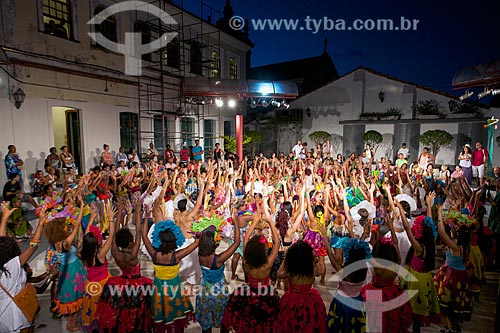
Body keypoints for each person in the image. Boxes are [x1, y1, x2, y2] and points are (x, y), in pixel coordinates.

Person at [222, 206, 281, 333]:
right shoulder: (267, 265)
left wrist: (254, 222)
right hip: (266, 295)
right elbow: (277, 244)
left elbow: (245, 239)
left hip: (248, 294)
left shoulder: (247, 261)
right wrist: (270, 222)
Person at [96, 203, 153, 333]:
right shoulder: (133, 254)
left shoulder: (116, 252)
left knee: (122, 310)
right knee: (138, 311)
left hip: (121, 283)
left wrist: (119, 212)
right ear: (131, 241)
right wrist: (138, 211)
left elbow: (114, 234)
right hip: (138, 284)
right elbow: (139, 232)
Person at [142, 219, 199, 332]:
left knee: (161, 317)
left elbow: (144, 236)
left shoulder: (154, 254)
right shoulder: (176, 256)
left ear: (158, 239)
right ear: (174, 240)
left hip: (158, 288)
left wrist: (145, 217)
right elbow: (195, 243)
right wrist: (198, 232)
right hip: (175, 288)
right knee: (177, 319)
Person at [0, 202, 45, 333]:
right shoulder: (13, 264)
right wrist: (41, 221)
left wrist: (4, 218)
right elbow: (34, 245)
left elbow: (0, 242)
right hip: (18, 312)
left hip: (3, 315)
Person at [43, 199, 87, 332]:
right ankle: (72, 324)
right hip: (73, 271)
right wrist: (81, 207)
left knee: (70, 296)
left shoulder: (54, 242)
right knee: (76, 295)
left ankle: (70, 322)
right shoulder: (66, 243)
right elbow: (77, 224)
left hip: (65, 271)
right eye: (65, 228)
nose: (67, 228)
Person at [196, 217, 240, 333]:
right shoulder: (219, 259)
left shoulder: (200, 255)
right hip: (219, 290)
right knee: (223, 318)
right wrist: (235, 224)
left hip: (204, 289)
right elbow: (236, 243)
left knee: (206, 320)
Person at [434, 204, 474, 333]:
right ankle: (451, 327)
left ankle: (453, 329)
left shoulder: (456, 248)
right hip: (458, 276)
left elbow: (441, 232)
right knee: (452, 305)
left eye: (454, 232)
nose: (452, 231)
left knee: (448, 306)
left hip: (452, 278)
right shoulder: (465, 247)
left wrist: (439, 214)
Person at [277, 241, 327, 333]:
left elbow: (279, 275)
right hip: (310, 300)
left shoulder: (290, 269)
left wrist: (285, 259)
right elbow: (319, 273)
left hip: (291, 300)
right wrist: (314, 261)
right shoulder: (312, 267)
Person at [81, 206, 115, 332]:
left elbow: (86, 236)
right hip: (103, 286)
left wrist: (92, 217)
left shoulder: (84, 253)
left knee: (91, 311)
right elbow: (111, 237)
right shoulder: (100, 255)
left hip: (89, 287)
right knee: (103, 310)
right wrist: (111, 219)